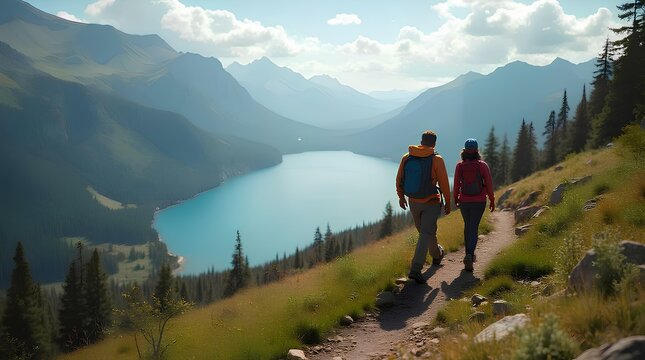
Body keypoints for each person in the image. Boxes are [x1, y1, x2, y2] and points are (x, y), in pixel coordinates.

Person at [396, 130, 451, 283]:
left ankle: (437, 254)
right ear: (434, 143)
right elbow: (444, 183)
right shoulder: (436, 159)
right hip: (431, 202)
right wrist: (447, 202)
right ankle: (415, 269)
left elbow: (399, 179)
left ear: (421, 141)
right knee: (426, 233)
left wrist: (401, 197)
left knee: (425, 232)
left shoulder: (407, 157)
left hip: (413, 202)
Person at [453, 139, 495, 272]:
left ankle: (468, 255)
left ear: (464, 151)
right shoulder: (482, 165)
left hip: (464, 201)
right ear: (477, 151)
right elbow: (488, 183)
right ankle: (469, 255)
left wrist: (456, 199)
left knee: (467, 226)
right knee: (474, 227)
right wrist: (492, 200)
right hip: (479, 201)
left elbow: (456, 185)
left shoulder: (460, 166)